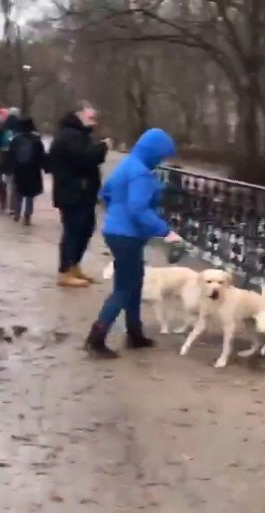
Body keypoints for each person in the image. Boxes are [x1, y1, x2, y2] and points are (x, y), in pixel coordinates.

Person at [84, 128, 183, 359]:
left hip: (116, 232)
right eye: (161, 156)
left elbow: (106, 193)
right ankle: (96, 338)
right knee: (123, 288)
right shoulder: (141, 173)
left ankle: (135, 333)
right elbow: (138, 209)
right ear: (154, 152)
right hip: (127, 236)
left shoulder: (128, 165)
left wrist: (117, 214)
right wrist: (165, 231)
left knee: (134, 283)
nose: (161, 161)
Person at [48, 101, 111, 288]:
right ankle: (65, 270)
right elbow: (83, 158)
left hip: (82, 193)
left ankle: (74, 265)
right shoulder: (70, 135)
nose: (94, 121)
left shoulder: (79, 135)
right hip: (73, 192)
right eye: (91, 117)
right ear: (79, 115)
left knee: (85, 228)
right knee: (73, 231)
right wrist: (102, 147)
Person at [7, 117, 47, 225]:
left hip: (19, 169)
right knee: (30, 194)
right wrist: (46, 167)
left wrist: (9, 168)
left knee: (18, 191)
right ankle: (27, 216)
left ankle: (17, 213)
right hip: (33, 170)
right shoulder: (37, 140)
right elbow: (42, 157)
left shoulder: (16, 140)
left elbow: (11, 155)